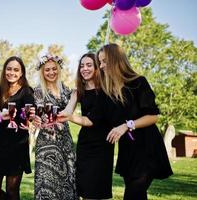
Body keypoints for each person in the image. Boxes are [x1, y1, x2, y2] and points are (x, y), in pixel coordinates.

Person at [61, 43, 173, 200]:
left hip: (147, 147)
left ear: (116, 60)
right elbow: (90, 119)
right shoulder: (107, 92)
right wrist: (68, 116)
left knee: (134, 192)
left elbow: (153, 116)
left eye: (104, 61)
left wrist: (127, 125)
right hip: (127, 149)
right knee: (136, 194)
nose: (101, 66)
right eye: (99, 62)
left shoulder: (138, 82)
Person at [59, 53, 115, 200]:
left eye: (89, 65)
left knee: (97, 191)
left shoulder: (106, 90)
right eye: (82, 66)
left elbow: (90, 121)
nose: (84, 69)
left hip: (102, 145)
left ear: (97, 68)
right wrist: (58, 115)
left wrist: (69, 117)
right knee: (85, 191)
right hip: (85, 145)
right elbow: (68, 110)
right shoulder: (79, 91)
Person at [0, 56, 34, 200]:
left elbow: (30, 111)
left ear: (21, 73)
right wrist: (0, 117)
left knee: (12, 191)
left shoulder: (27, 91)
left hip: (17, 146)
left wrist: (30, 115)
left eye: (16, 70)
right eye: (9, 69)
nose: (12, 72)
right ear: (5, 70)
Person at [33, 54, 78, 200]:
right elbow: (39, 112)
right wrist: (37, 119)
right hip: (47, 142)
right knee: (46, 183)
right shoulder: (39, 91)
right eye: (47, 70)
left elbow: (73, 108)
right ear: (42, 72)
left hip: (65, 142)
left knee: (68, 183)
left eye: (54, 69)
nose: (51, 72)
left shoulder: (66, 90)